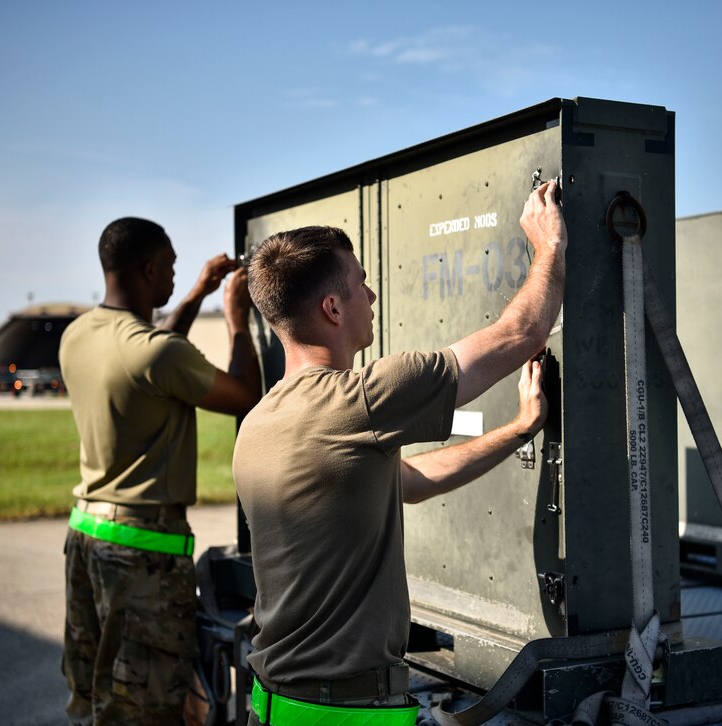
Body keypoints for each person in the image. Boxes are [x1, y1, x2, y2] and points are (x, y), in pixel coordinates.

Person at [233, 181, 567, 724]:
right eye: (362, 284)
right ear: (333, 308)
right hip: (346, 713)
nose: (372, 296)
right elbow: (523, 331)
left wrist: (520, 428)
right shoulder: (359, 400)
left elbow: (409, 481)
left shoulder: (262, 423)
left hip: (275, 707)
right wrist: (548, 245)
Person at [60, 217, 263, 725]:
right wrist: (236, 317)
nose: (174, 279)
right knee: (146, 708)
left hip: (85, 533)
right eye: (171, 269)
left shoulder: (78, 335)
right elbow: (246, 394)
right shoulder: (158, 353)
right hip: (141, 553)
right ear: (149, 268)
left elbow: (150, 354)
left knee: (98, 695)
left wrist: (197, 291)